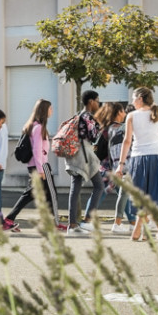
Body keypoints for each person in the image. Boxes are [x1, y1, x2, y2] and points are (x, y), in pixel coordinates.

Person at [116, 87, 158, 241]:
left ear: (140, 98)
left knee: (141, 196)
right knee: (153, 196)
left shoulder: (131, 116)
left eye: (134, 98)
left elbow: (127, 141)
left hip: (138, 160)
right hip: (157, 159)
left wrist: (121, 164)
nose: (132, 101)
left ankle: (139, 229)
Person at [4, 99, 53, 229]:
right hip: (41, 166)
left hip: (35, 166)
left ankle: (9, 219)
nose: (52, 111)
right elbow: (37, 151)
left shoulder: (34, 126)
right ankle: (53, 222)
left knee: (33, 193)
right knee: (50, 194)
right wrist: (41, 170)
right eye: (50, 108)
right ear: (44, 110)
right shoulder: (38, 128)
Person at [66, 90, 105, 236]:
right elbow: (94, 137)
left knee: (75, 188)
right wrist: (100, 125)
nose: (98, 103)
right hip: (84, 156)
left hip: (76, 155)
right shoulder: (88, 117)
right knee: (99, 186)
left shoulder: (78, 114)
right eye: (97, 100)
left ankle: (74, 224)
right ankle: (82, 222)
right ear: (91, 101)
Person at [102, 102, 137, 234]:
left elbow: (110, 149)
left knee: (125, 194)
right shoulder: (124, 128)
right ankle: (118, 224)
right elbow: (129, 144)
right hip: (126, 163)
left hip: (118, 164)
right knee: (124, 194)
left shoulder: (110, 128)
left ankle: (133, 224)